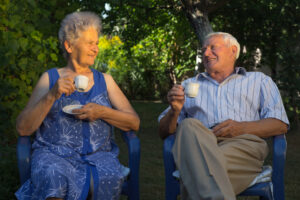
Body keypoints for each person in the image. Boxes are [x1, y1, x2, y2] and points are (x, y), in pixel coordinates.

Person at [15, 11, 140, 200]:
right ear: (69, 45)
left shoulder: (106, 81)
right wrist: (51, 95)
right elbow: (23, 128)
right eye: (90, 43)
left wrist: (102, 112)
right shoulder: (50, 78)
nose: (96, 48)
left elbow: (134, 122)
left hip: (99, 157)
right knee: (53, 176)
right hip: (54, 155)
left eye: (96, 43)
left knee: (109, 177)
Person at [158, 32, 289, 200]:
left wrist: (241, 128)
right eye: (204, 49)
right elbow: (163, 131)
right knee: (189, 125)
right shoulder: (187, 86)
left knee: (195, 169)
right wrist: (174, 111)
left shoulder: (259, 81)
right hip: (199, 144)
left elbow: (280, 124)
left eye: (213, 48)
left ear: (233, 51)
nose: (205, 53)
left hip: (243, 145)